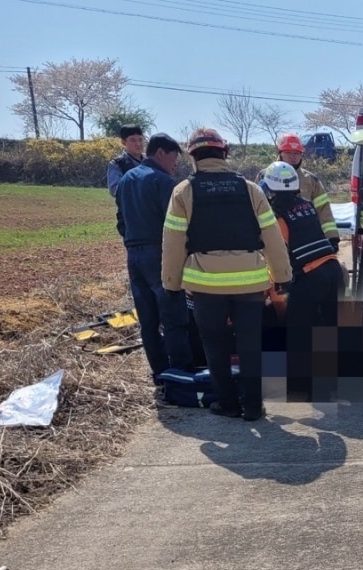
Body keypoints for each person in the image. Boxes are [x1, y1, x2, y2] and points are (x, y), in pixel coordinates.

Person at [162, 128, 293, 422]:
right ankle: (254, 406)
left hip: (206, 286)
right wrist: (282, 275)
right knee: (249, 345)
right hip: (249, 284)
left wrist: (171, 283)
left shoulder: (183, 192)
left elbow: (173, 243)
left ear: (193, 156)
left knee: (214, 345)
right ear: (225, 153)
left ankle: (228, 404)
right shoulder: (250, 189)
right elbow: (272, 236)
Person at [114, 133, 195, 387]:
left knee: (147, 318)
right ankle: (181, 373)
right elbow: (175, 225)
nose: (174, 164)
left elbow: (120, 221)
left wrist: (132, 241)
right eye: (173, 158)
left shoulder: (126, 179)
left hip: (133, 253)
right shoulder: (163, 182)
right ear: (160, 153)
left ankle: (159, 372)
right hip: (159, 253)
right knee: (173, 314)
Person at [259, 160, 344, 402]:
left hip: (310, 277)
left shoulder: (278, 216)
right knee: (329, 330)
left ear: (270, 190)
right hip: (333, 270)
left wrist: (276, 283)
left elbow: (279, 255)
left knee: (299, 335)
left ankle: (303, 388)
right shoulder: (306, 205)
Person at [272, 133, 340, 244]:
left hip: (306, 238)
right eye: (288, 152)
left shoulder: (311, 180)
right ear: (280, 153)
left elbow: (323, 210)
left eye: (297, 153)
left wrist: (332, 237)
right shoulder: (265, 176)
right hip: (276, 239)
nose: (293, 156)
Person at [108, 125, 145, 236]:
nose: (138, 144)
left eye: (140, 139)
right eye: (133, 140)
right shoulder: (117, 164)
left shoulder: (151, 161)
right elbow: (115, 189)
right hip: (129, 217)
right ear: (124, 142)